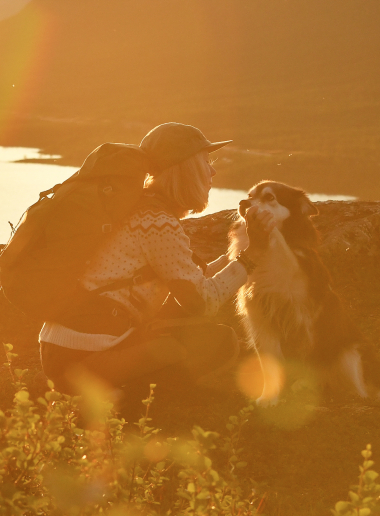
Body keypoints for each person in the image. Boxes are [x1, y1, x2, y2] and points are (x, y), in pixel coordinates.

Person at [38, 122, 274, 398]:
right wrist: (251, 258)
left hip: (65, 348)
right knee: (219, 342)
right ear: (186, 168)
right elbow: (202, 301)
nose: (212, 171)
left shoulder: (139, 208)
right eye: (205, 162)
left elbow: (190, 282)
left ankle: (112, 390)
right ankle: (121, 401)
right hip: (82, 358)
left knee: (183, 325)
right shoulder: (157, 223)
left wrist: (239, 254)